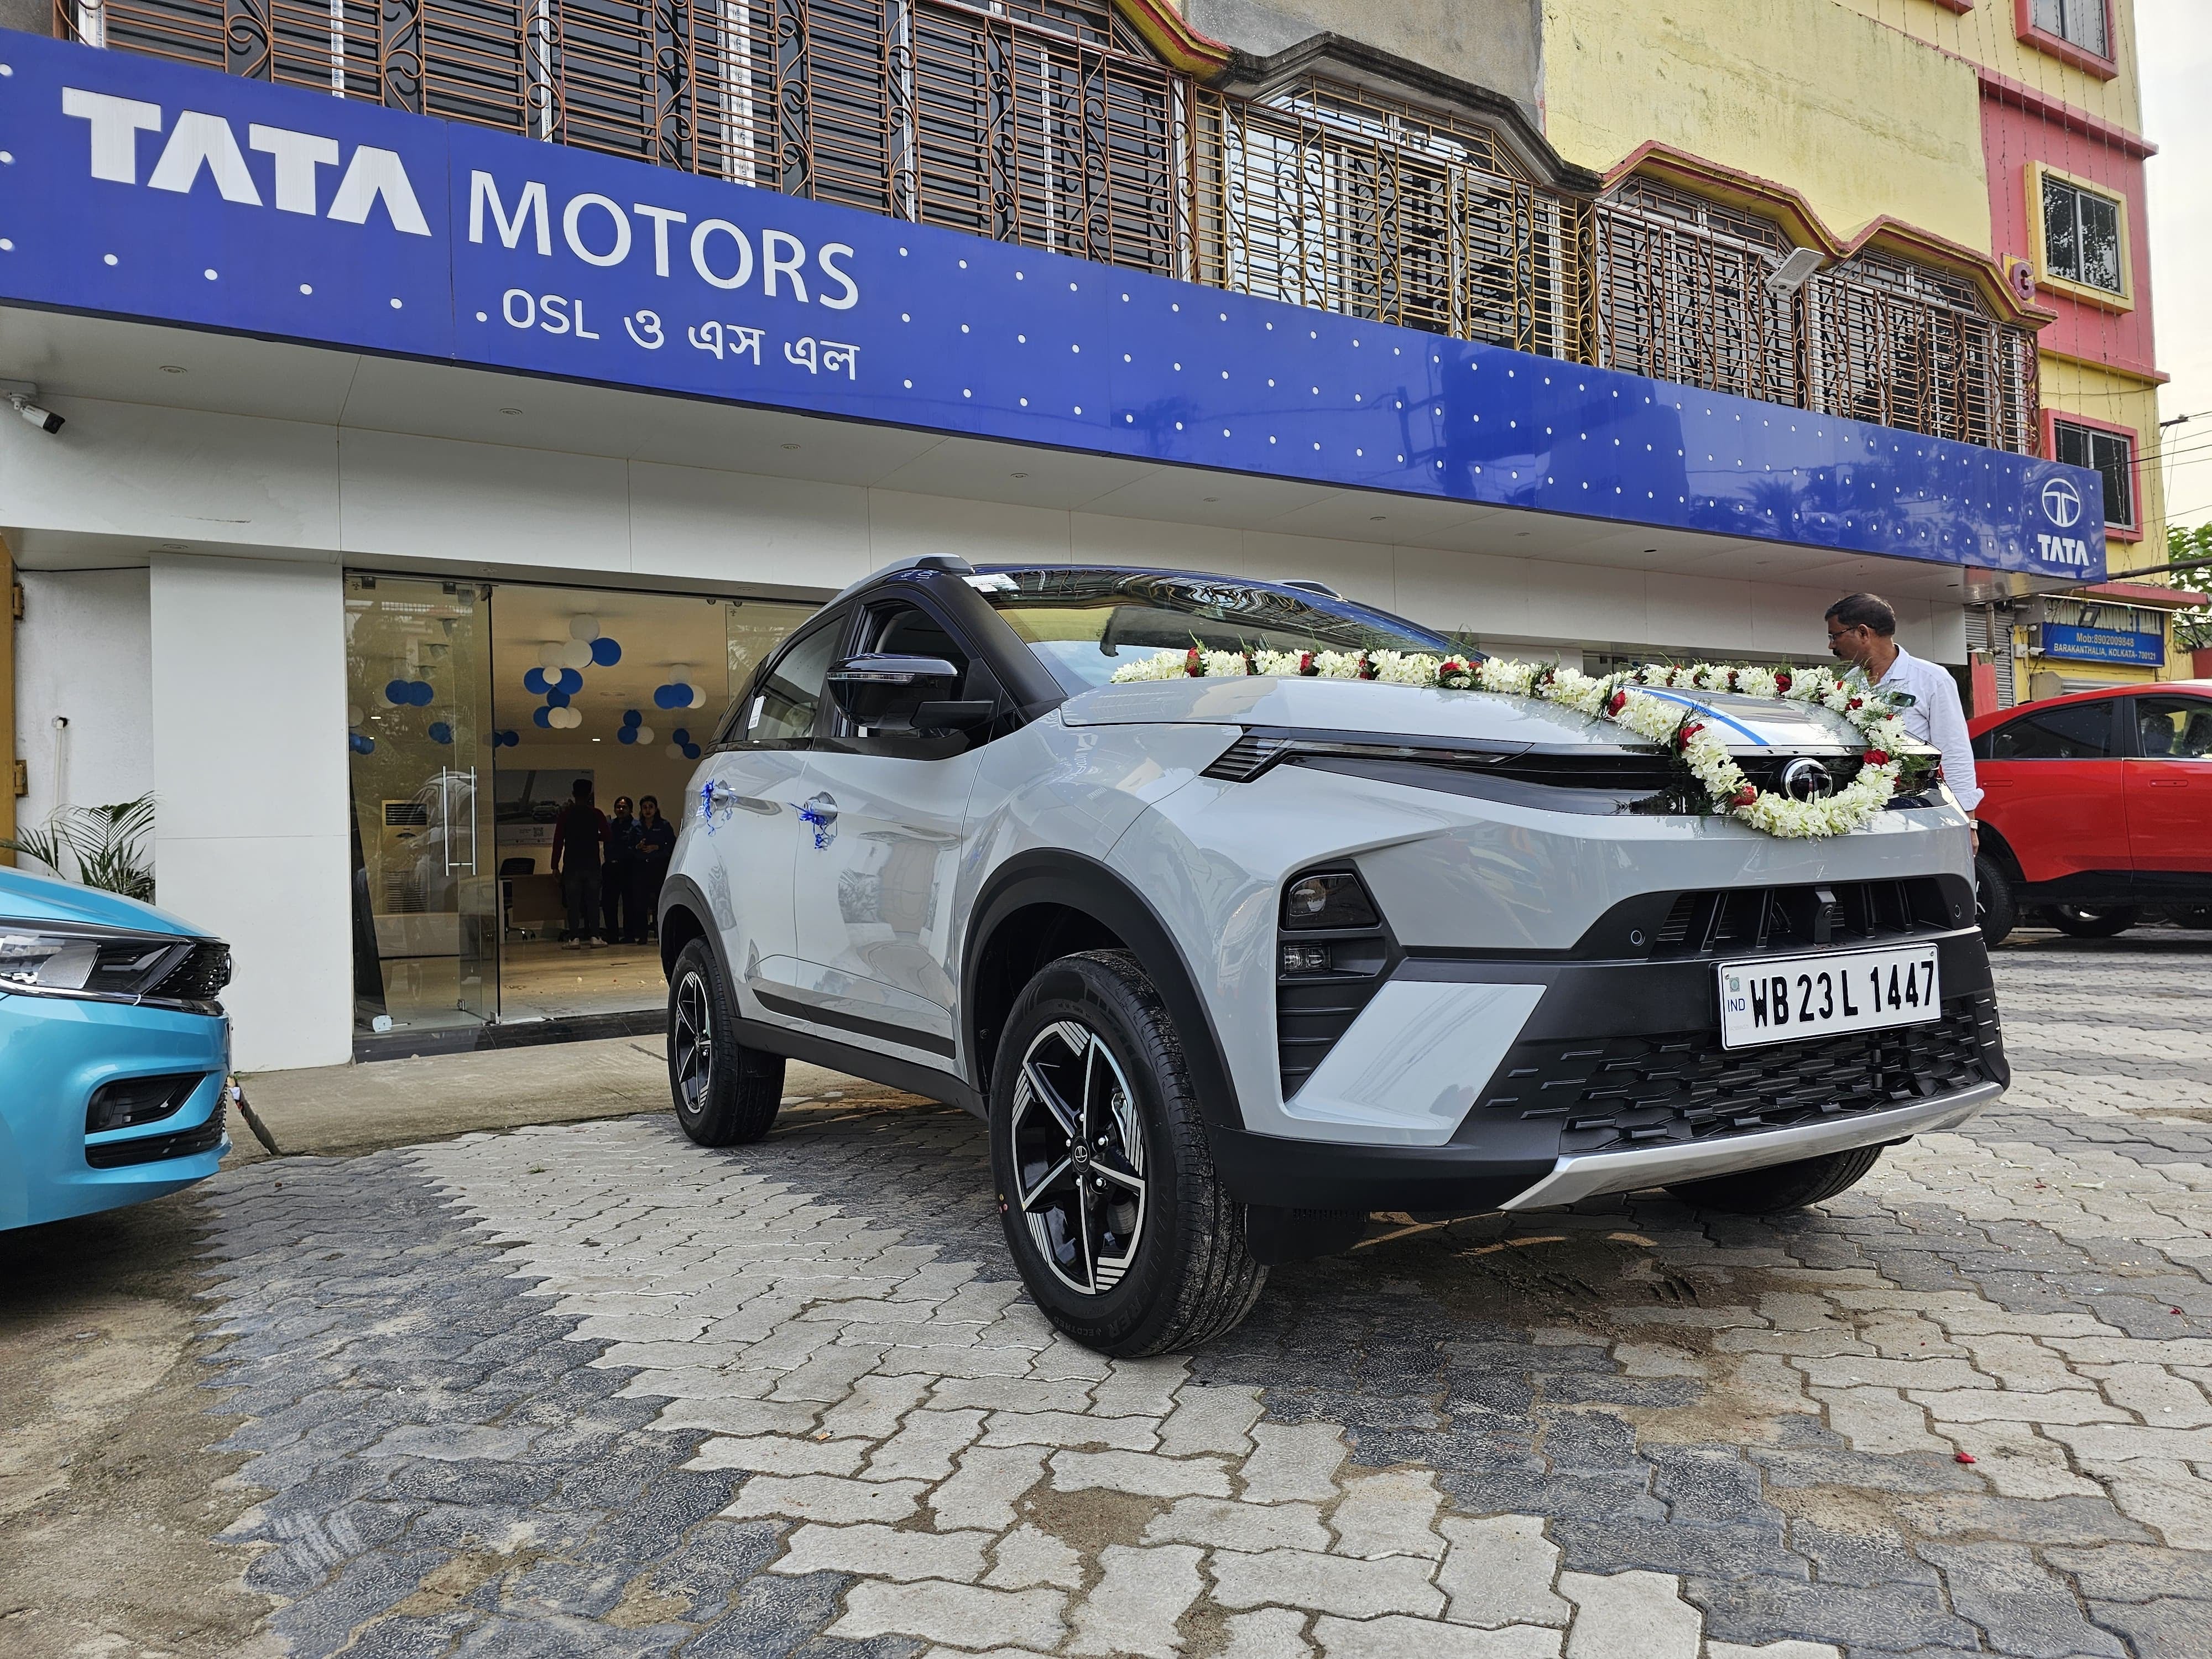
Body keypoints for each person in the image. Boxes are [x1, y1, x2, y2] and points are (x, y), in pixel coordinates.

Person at [1823, 593, 1982, 842]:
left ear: (1863, 633)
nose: (1832, 645)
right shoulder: (1846, 685)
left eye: (1836, 636)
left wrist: (1968, 822)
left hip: (1920, 811)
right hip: (1860, 815)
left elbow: (1955, 752)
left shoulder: (1931, 679)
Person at [550, 779, 608, 949]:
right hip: (592, 865)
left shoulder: (566, 815)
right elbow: (607, 835)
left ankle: (574, 938)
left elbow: (558, 841)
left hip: (572, 865)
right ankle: (595, 937)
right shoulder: (596, 814)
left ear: (574, 795)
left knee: (573, 904)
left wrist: (554, 865)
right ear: (589, 794)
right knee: (593, 902)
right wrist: (592, 837)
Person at [635, 795, 676, 942]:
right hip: (641, 870)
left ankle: (661, 935)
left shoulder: (664, 825)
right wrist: (637, 847)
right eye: (645, 807)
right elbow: (629, 848)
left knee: (660, 902)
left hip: (659, 868)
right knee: (641, 903)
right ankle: (643, 935)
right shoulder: (636, 826)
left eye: (650, 807)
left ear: (656, 809)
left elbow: (672, 845)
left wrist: (657, 848)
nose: (647, 810)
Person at [603, 795, 640, 944]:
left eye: (624, 807)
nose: (620, 809)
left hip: (628, 868)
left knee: (629, 904)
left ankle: (629, 935)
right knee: (609, 903)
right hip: (610, 868)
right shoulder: (609, 825)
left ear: (630, 809)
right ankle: (612, 935)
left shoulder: (636, 825)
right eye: (618, 807)